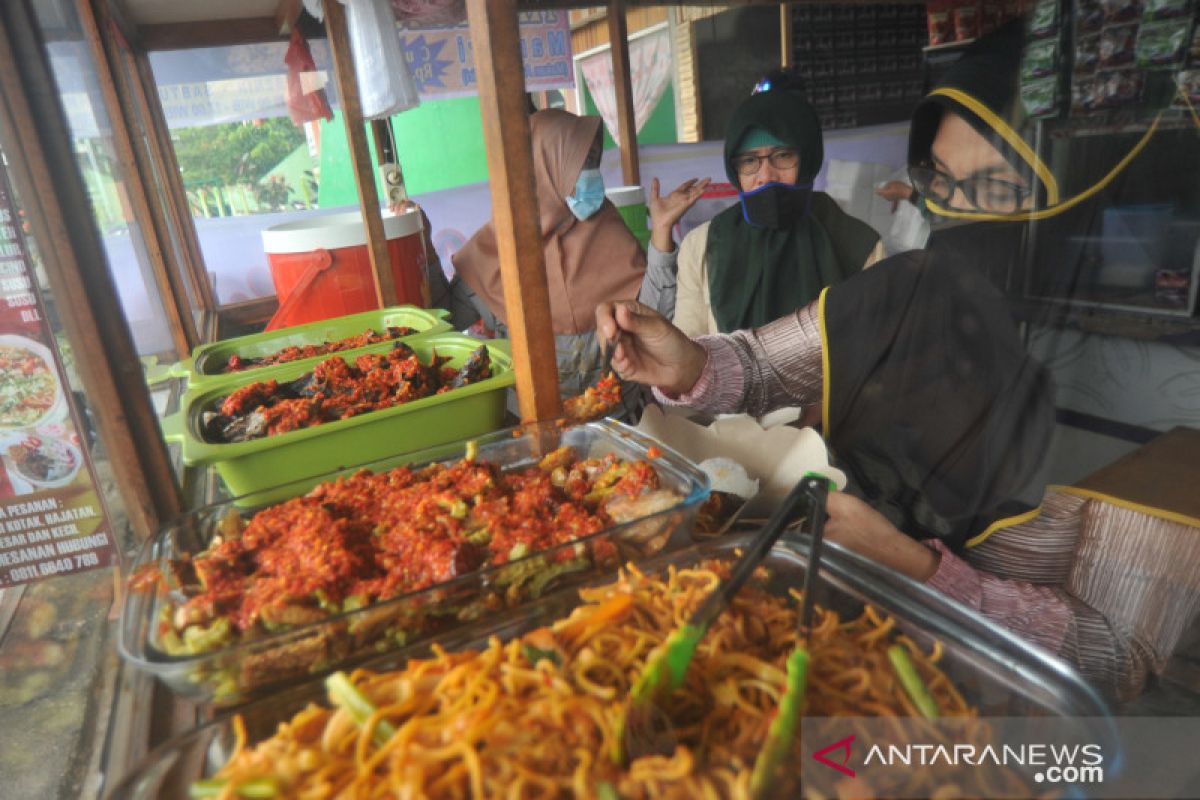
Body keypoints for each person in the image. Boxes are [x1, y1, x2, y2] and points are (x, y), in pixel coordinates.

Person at [595, 22, 1200, 703]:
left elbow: (1120, 659)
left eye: (997, 189)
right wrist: (685, 365)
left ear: (1086, 197)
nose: (953, 215)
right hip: (872, 651)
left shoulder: (1169, 417)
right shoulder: (915, 289)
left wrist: (912, 563)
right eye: (937, 180)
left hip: (1010, 719)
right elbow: (765, 364)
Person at [408, 108, 700, 414]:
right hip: (533, 430)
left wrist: (662, 233)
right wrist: (423, 249)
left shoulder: (606, 227)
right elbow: (444, 324)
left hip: (622, 419)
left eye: (592, 164)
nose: (592, 176)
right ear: (542, 170)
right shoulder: (495, 252)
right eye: (579, 166)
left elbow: (656, 317)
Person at [642, 86, 885, 337]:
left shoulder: (861, 247)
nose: (766, 177)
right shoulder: (702, 247)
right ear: (734, 169)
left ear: (808, 159)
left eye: (782, 156)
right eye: (749, 161)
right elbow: (689, 351)